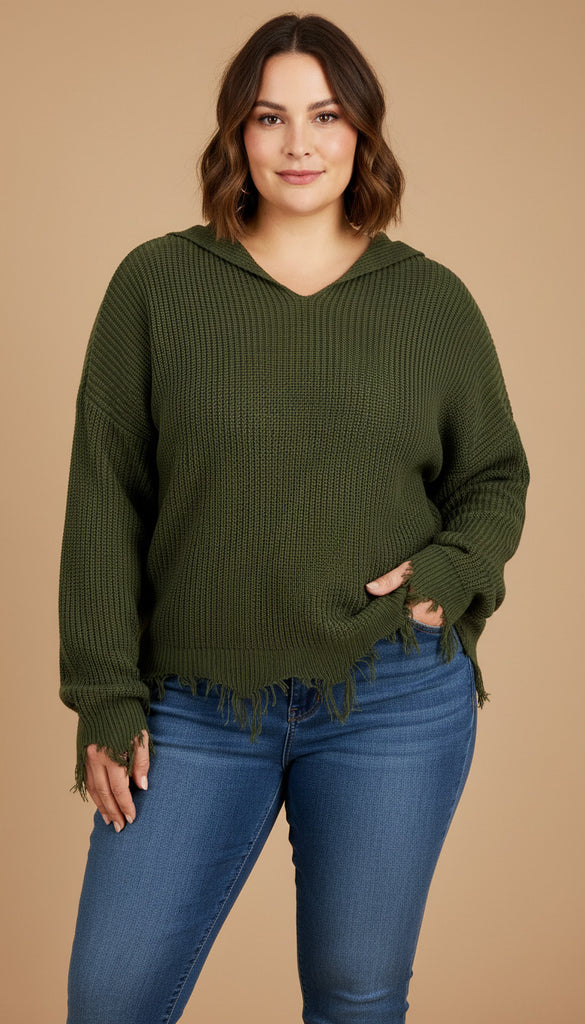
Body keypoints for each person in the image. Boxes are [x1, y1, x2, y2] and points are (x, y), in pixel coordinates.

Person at [58, 12, 530, 1024]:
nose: (300, 143)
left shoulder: (430, 302)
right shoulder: (158, 286)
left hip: (391, 696)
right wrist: (105, 691)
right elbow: (106, 488)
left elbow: (493, 478)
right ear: (237, 134)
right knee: (110, 998)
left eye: (326, 115)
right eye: (271, 117)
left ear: (363, 132)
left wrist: (451, 572)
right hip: (194, 702)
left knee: (358, 1000)